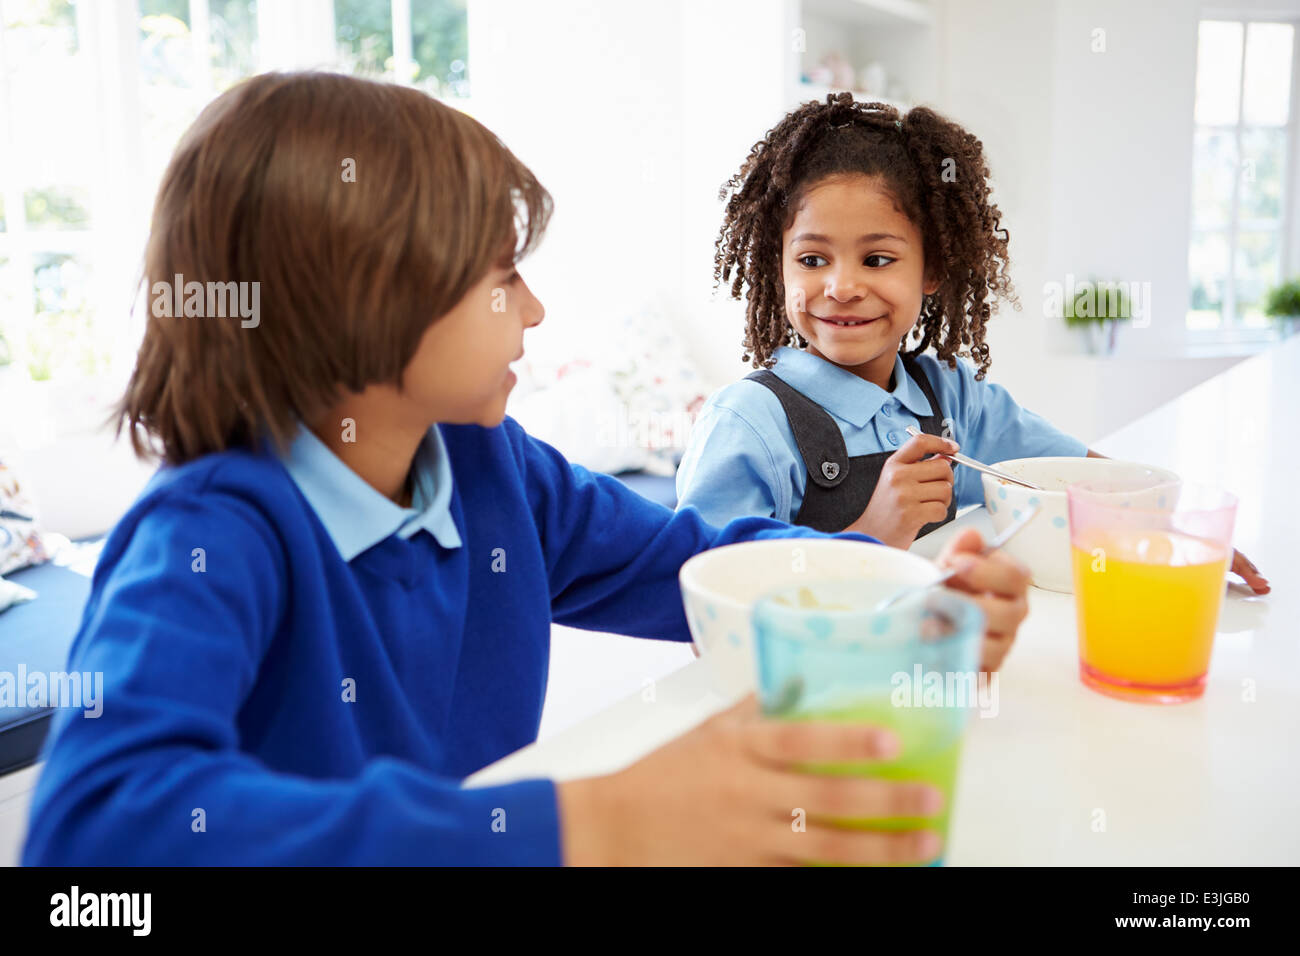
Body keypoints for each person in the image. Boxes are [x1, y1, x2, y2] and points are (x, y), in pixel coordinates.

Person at [21, 74, 1031, 867]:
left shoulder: (486, 466)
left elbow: (700, 564)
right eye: (503, 277)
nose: (536, 310)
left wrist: (900, 596)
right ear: (367, 300)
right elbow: (93, 829)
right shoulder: (211, 533)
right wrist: (590, 821)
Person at [676, 93, 1269, 594]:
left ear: (932, 271)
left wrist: (1173, 526)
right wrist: (872, 535)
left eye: (877, 259)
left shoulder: (951, 399)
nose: (842, 287)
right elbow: (708, 597)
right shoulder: (749, 424)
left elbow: (1072, 480)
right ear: (778, 268)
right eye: (812, 259)